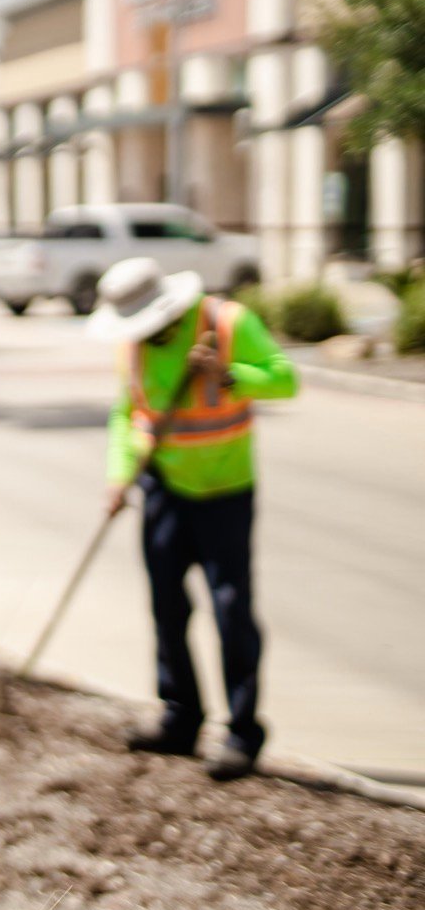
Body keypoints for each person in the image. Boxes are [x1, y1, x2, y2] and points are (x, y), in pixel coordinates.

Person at [89, 257, 297, 781]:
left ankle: (243, 731)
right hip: (162, 486)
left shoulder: (227, 325)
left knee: (231, 610)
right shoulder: (133, 346)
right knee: (167, 605)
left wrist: (227, 375)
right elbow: (125, 412)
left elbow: (285, 381)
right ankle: (180, 718)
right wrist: (119, 478)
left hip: (226, 490)